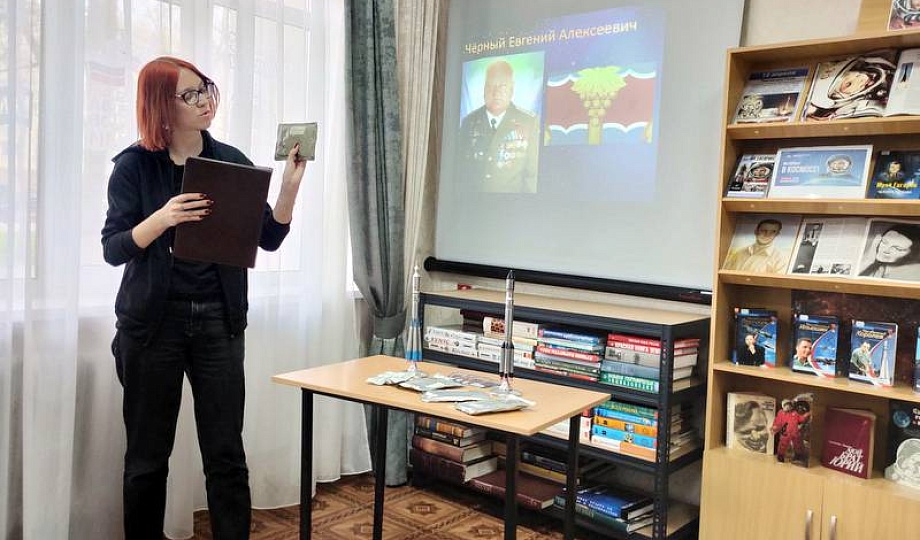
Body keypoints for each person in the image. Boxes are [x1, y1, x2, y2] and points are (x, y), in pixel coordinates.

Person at [101, 57, 306, 540]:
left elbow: (268, 237)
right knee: (147, 459)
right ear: (161, 106)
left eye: (206, 89)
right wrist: (163, 218)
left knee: (226, 454)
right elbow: (113, 248)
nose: (204, 101)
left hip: (219, 322)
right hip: (153, 328)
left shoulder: (230, 161)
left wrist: (289, 188)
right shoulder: (133, 167)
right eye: (190, 94)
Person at [458, 59, 539, 193]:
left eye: (502, 86)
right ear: (484, 89)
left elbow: (532, 176)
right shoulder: (469, 122)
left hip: (511, 204)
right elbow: (460, 172)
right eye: (490, 86)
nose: (496, 93)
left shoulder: (529, 122)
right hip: (474, 203)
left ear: (511, 90)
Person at [723, 218, 788, 273]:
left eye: (773, 232)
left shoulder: (780, 259)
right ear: (756, 231)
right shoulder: (739, 253)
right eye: (763, 230)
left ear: (777, 234)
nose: (767, 234)